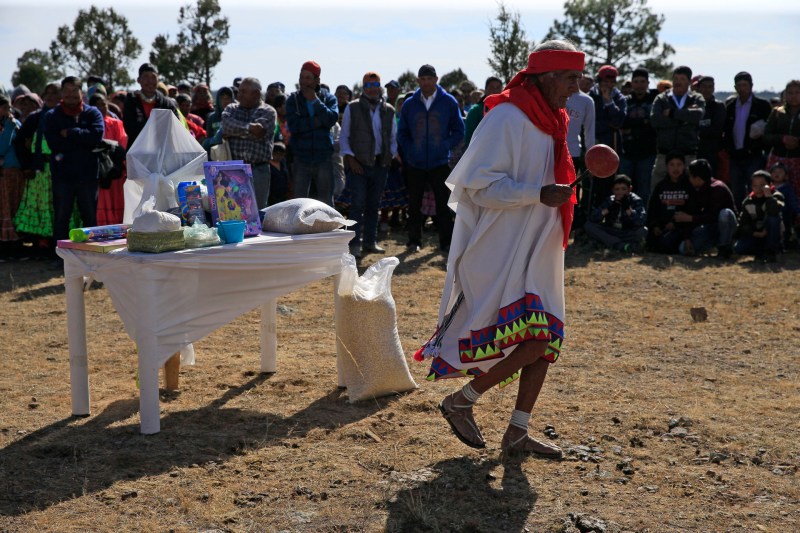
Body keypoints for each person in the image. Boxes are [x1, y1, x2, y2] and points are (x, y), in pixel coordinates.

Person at [414, 41, 581, 457]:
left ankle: (517, 431)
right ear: (547, 77)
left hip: (540, 244)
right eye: (571, 78)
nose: (576, 89)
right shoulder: (506, 116)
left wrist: (548, 199)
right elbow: (480, 185)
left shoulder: (555, 120)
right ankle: (462, 400)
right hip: (502, 246)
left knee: (548, 336)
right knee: (537, 338)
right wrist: (536, 194)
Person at [398, 64, 465, 253]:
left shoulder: (449, 102)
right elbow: (402, 132)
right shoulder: (410, 104)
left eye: (429, 78)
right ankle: (413, 241)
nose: (426, 82)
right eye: (423, 79)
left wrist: (445, 146)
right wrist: (410, 150)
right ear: (418, 81)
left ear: (436, 79)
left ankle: (446, 242)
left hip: (440, 162)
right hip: (415, 163)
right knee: (414, 204)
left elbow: (459, 130)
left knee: (444, 205)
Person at [339, 71, 398, 258]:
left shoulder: (389, 109)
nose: (372, 89)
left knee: (374, 205)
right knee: (357, 205)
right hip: (359, 164)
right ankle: (355, 244)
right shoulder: (352, 107)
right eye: (369, 85)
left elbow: (393, 138)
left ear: (380, 87)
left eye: (375, 85)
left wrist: (390, 157)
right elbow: (344, 136)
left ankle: (371, 242)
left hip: (381, 164)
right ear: (363, 87)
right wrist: (351, 159)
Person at [43, 76, 105, 246]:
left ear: (81, 92)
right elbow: (54, 143)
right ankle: (61, 256)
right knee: (62, 217)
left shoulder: (92, 113)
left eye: (74, 90)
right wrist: (82, 140)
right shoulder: (52, 116)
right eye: (66, 91)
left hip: (88, 176)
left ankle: (91, 254)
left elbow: (96, 136)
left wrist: (70, 133)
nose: (70, 95)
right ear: (61, 93)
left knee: (89, 218)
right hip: (62, 177)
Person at [285, 61, 339, 206]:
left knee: (326, 201)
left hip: (323, 157)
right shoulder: (293, 100)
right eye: (302, 77)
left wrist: (315, 101)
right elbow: (294, 126)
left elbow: (331, 119)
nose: (304, 81)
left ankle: (327, 228)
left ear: (317, 80)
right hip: (301, 158)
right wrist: (317, 122)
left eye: (308, 78)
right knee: (299, 202)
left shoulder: (329, 98)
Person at [221, 77, 277, 210]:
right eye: (239, 91)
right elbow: (226, 126)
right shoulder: (231, 108)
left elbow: (259, 133)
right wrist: (249, 128)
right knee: (232, 210)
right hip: (234, 170)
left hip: (258, 170)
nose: (238, 95)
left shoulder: (268, 111)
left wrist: (236, 131)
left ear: (256, 94)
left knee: (256, 211)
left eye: (243, 92)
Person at [650, 66, 705, 196]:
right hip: (664, 154)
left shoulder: (696, 98)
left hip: (688, 154)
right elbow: (655, 120)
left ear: (689, 82)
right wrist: (684, 119)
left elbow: (698, 115)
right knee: (656, 191)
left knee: (692, 192)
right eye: (675, 78)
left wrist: (672, 113)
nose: (678, 82)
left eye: (682, 79)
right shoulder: (661, 98)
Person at [723, 72, 773, 205]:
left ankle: (758, 217)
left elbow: (769, 130)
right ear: (735, 87)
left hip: (754, 156)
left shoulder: (762, 105)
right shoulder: (730, 106)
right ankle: (741, 219)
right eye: (739, 85)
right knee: (737, 190)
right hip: (735, 156)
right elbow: (726, 131)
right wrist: (729, 149)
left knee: (757, 189)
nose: (742, 88)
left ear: (751, 86)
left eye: (745, 85)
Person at [675, 158, 737, 258]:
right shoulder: (696, 189)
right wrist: (687, 238)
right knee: (683, 249)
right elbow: (692, 211)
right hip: (710, 229)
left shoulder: (718, 188)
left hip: (726, 227)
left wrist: (690, 218)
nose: (689, 179)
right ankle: (715, 245)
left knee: (725, 214)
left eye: (690, 176)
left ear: (698, 179)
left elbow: (714, 216)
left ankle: (726, 247)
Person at [89, 93, 128, 225]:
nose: (101, 108)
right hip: (96, 169)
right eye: (97, 105)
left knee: (115, 199)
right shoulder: (89, 124)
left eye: (103, 104)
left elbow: (122, 142)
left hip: (114, 168)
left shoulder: (116, 123)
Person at [621, 67, 658, 202]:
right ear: (632, 83)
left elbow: (654, 123)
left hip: (648, 153)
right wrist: (643, 122)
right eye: (636, 82)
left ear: (648, 83)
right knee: (623, 188)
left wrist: (631, 126)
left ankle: (642, 219)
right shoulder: (624, 101)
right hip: (627, 153)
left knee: (644, 189)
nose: (639, 85)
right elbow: (621, 122)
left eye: (643, 81)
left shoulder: (655, 99)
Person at [584, 174, 647, 252]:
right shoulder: (610, 200)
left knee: (643, 231)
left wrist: (628, 210)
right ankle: (621, 245)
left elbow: (641, 221)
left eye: (624, 189)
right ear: (613, 190)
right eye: (617, 189)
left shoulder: (635, 200)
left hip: (627, 231)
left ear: (630, 189)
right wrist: (608, 209)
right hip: (612, 231)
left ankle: (613, 244)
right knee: (589, 226)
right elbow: (593, 217)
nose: (620, 192)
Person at [646, 152, 692, 253]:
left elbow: (692, 210)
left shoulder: (689, 186)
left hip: (682, 228)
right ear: (666, 167)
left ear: (684, 166)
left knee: (667, 243)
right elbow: (653, 209)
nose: (676, 168)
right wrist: (655, 225)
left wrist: (675, 223)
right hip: (662, 227)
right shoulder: (661, 186)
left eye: (679, 164)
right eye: (672, 165)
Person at [123, 63, 177, 147]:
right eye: (146, 77)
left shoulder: (167, 104)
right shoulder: (131, 101)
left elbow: (174, 128)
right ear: (138, 80)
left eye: (153, 77)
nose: (150, 81)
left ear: (158, 80)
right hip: (137, 150)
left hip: (162, 151)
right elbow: (130, 128)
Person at [734, 170, 783, 262]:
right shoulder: (748, 202)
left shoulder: (777, 196)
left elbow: (774, 211)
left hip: (772, 234)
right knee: (739, 248)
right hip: (756, 234)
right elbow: (743, 224)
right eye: (755, 186)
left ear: (769, 185)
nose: (758, 188)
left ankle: (771, 252)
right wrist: (756, 233)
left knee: (773, 219)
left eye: (762, 185)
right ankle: (761, 252)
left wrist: (768, 196)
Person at [565, 78, 595, 225]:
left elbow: (589, 131)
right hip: (550, 150)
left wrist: (591, 155)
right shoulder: (555, 94)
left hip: (573, 151)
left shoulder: (586, 101)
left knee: (571, 189)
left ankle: (571, 223)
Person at [763, 80, 800, 198]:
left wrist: (796, 142)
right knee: (775, 195)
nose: (793, 96)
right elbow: (766, 136)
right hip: (777, 160)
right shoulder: (777, 112)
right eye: (790, 93)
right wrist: (783, 139)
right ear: (785, 94)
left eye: (797, 92)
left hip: (798, 160)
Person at [0, 94, 23, 259]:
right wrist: (8, 128)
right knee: (4, 210)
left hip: (17, 173)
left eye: (9, 107)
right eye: (4, 107)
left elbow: (22, 143)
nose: (8, 110)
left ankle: (16, 246)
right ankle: (5, 247)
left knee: (16, 209)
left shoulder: (16, 123)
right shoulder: (8, 126)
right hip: (3, 175)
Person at [695, 75, 726, 175]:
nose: (707, 90)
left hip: (712, 153)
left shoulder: (719, 106)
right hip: (694, 152)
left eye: (710, 86)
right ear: (699, 88)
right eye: (704, 86)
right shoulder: (691, 105)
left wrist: (697, 129)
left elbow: (717, 129)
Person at [464, 76, 504, 147]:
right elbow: (469, 136)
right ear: (485, 90)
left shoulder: (505, 109)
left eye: (498, 88)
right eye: (491, 87)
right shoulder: (475, 110)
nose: (495, 90)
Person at [769, 162, 799, 247]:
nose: (777, 174)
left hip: (785, 214)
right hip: (770, 213)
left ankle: (786, 242)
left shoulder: (788, 188)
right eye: (774, 172)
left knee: (786, 228)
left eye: (780, 172)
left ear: (786, 176)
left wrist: (798, 211)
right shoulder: (768, 188)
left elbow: (793, 201)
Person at [203, 86, 235, 152]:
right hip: (217, 156)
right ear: (218, 99)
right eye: (222, 98)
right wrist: (216, 139)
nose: (225, 101)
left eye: (228, 98)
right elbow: (207, 142)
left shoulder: (237, 116)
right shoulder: (212, 118)